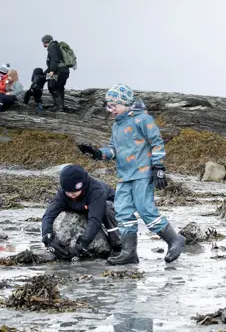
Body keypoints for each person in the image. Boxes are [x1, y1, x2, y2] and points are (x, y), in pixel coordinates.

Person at [76, 84, 186, 264]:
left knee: (145, 209)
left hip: (143, 173)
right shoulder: (116, 126)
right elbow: (113, 150)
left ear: (126, 103)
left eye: (114, 105)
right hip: (124, 176)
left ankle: (174, 239)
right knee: (122, 212)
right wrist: (98, 153)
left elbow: (156, 142)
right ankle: (129, 253)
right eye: (108, 106)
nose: (110, 110)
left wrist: (158, 168)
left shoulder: (143, 119)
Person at [41, 165, 121, 259]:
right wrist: (47, 237)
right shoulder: (62, 194)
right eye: (68, 192)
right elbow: (49, 214)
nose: (70, 194)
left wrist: (82, 245)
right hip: (84, 206)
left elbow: (95, 220)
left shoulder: (95, 191)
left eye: (74, 192)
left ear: (82, 186)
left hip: (108, 204)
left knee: (106, 208)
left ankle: (118, 245)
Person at [42, 34, 71, 111]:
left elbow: (55, 60)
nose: (43, 44)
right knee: (60, 87)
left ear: (45, 41)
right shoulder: (57, 46)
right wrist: (44, 73)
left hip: (57, 71)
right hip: (65, 71)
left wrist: (51, 71)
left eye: (43, 42)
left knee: (52, 87)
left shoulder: (52, 46)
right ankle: (60, 106)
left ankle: (58, 107)